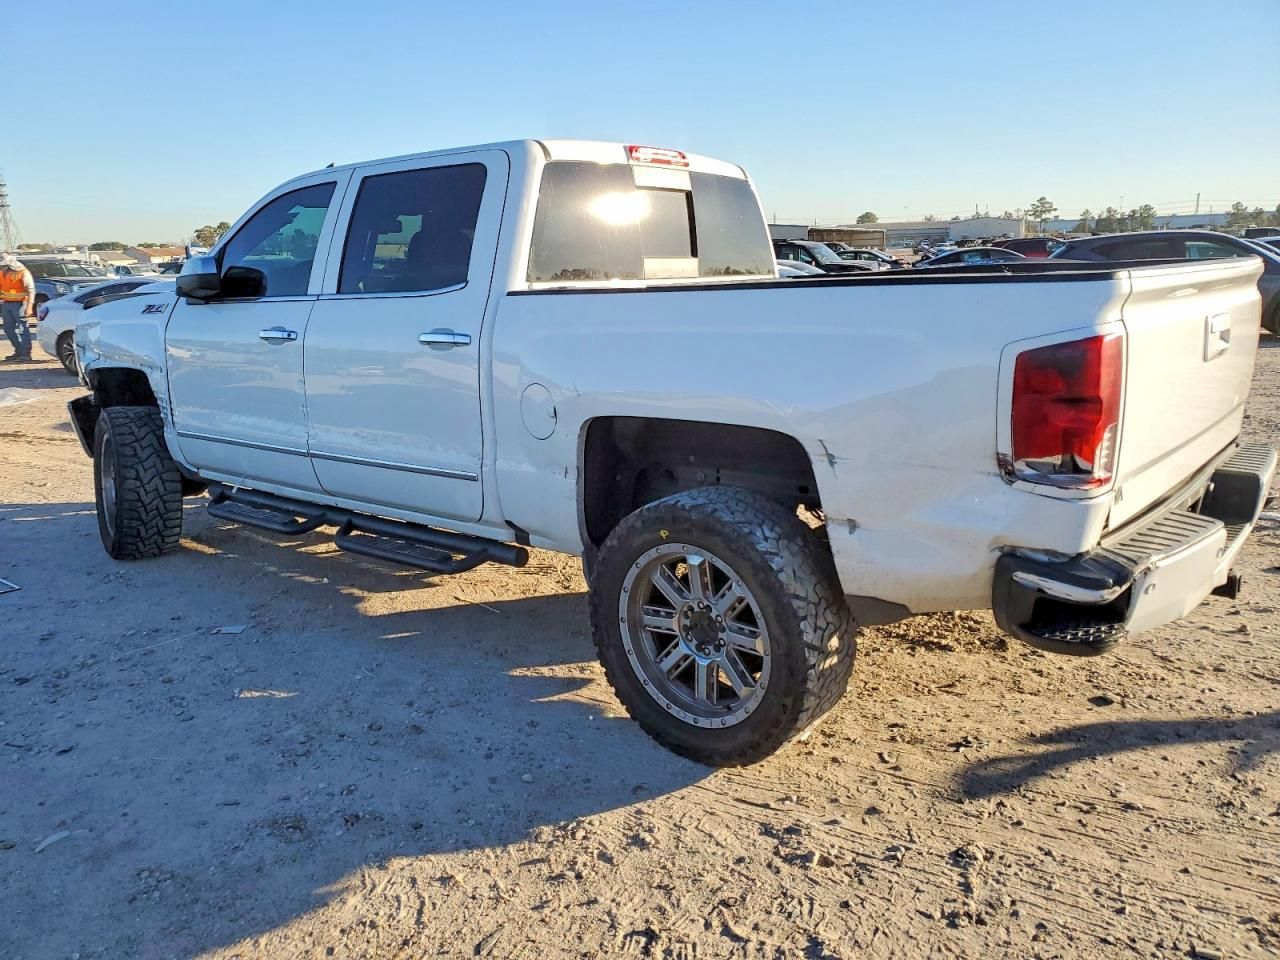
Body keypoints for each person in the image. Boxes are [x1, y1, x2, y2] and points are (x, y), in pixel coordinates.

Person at [0, 254, 35, 362]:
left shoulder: (23, 272)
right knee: (8, 329)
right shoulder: (2, 273)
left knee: (22, 329)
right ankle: (18, 351)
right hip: (6, 303)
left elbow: (31, 291)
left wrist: (29, 307)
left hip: (21, 304)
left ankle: (26, 354)